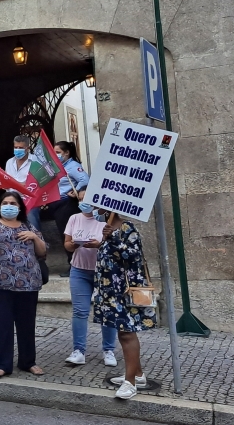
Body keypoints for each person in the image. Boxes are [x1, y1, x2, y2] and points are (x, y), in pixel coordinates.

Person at [0, 191, 46, 377]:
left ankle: (28, 361)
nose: (8, 206)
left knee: (27, 325)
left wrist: (35, 237)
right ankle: (1, 364)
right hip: (0, 284)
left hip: (29, 284)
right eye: (5, 202)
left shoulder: (28, 225)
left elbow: (42, 252)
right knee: (1, 325)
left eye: (13, 203)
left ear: (20, 207)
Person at [94, 210, 156, 400]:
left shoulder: (127, 228)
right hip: (110, 293)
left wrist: (112, 239)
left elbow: (134, 256)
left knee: (127, 333)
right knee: (123, 333)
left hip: (124, 293)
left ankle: (131, 383)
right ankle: (137, 374)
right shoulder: (107, 228)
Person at [63, 192, 117, 367]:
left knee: (107, 311)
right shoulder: (74, 218)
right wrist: (73, 244)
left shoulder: (106, 220)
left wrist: (99, 244)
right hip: (79, 270)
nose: (82, 202)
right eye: (79, 199)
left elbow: (115, 246)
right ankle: (79, 351)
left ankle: (108, 350)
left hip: (103, 272)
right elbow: (67, 244)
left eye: (86, 199)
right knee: (80, 311)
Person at [30, 141, 90, 233]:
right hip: (56, 202)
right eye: (54, 153)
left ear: (66, 152)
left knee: (66, 232)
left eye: (58, 152)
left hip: (65, 202)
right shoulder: (59, 166)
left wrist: (76, 191)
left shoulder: (73, 166)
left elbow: (85, 180)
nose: (55, 155)